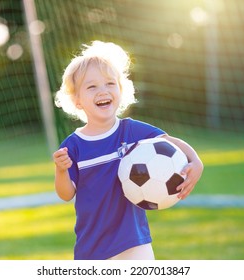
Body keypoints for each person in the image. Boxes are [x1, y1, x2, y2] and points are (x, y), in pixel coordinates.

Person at [53, 41, 203, 260]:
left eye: (110, 83)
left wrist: (196, 161)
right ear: (77, 100)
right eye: (92, 86)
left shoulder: (131, 130)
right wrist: (60, 170)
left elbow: (171, 142)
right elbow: (66, 194)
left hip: (134, 242)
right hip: (91, 248)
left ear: (121, 90)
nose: (102, 91)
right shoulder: (73, 145)